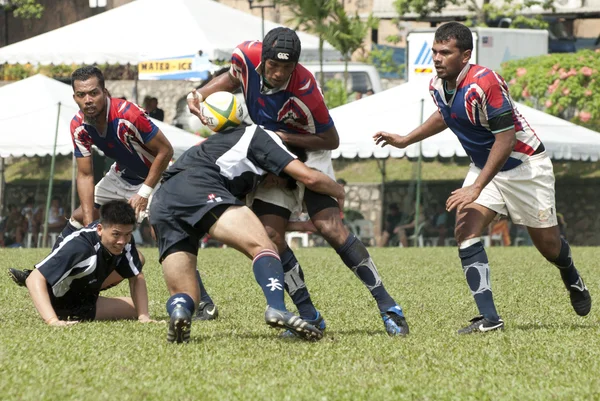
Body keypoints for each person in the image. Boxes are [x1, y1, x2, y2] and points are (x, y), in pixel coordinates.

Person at [187, 27, 409, 337]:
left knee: (330, 228)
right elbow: (234, 75)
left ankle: (389, 307)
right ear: (262, 58)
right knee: (268, 236)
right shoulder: (246, 56)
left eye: (286, 68)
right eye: (273, 66)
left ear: (296, 65)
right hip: (270, 157)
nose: (278, 74)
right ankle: (309, 314)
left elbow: (330, 140)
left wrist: (278, 138)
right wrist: (202, 93)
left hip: (309, 156)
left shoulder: (305, 90)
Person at [373, 22, 591, 334]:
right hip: (485, 167)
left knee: (549, 245)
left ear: (465, 56)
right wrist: (406, 139)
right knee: (465, 229)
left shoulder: (484, 82)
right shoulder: (437, 85)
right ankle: (490, 318)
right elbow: (446, 115)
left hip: (525, 167)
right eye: (435, 51)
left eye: (445, 53)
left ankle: (570, 274)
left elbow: (506, 139)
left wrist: (476, 187)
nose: (436, 58)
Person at [150, 122, 346, 343]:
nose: (274, 184)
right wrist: (340, 191)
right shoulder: (262, 137)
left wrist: (302, 226)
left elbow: (236, 222)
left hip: (162, 201)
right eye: (282, 180)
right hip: (199, 185)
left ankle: (179, 311)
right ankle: (277, 308)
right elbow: (310, 177)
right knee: (264, 247)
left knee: (188, 297)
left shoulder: (227, 152)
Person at [58, 66, 218, 321]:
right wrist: (90, 222)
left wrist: (144, 192)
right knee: (80, 215)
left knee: (163, 233)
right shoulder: (78, 125)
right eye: (81, 95)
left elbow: (165, 151)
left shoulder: (127, 114)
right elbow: (85, 175)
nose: (88, 100)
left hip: (157, 175)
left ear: (105, 92)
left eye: (93, 93)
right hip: (122, 175)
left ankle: (203, 303)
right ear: (75, 97)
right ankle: (48, 274)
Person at [10, 201, 155, 326]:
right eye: (116, 234)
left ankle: (90, 289)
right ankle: (52, 287)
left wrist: (144, 316)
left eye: (127, 234)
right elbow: (34, 279)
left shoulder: (124, 240)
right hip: (62, 303)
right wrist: (52, 320)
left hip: (86, 295)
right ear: (100, 229)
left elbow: (136, 277)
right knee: (41, 279)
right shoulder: (79, 247)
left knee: (137, 306)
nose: (122, 241)